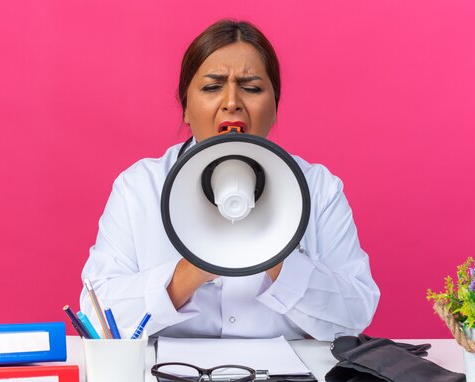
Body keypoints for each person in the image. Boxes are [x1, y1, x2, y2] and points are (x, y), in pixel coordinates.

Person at [80, 20, 379, 341]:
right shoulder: (139, 187)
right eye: (212, 87)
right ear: (186, 108)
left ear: (275, 108)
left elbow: (356, 316)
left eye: (251, 88)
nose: (232, 101)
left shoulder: (319, 187)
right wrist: (190, 270)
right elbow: (97, 318)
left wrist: (274, 254)